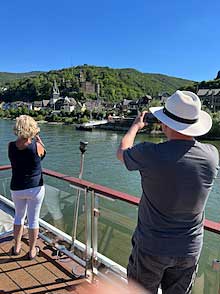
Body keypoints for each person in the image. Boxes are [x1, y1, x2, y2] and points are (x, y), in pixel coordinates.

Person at [117, 90, 219, 293]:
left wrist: (136, 126)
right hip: (189, 248)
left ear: (165, 123)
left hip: (151, 247)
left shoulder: (150, 153)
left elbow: (121, 152)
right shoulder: (212, 156)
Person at [8, 115, 46, 260]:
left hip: (17, 187)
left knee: (18, 217)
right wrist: (38, 139)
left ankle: (16, 247)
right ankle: (31, 251)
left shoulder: (11, 146)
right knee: (33, 220)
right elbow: (43, 154)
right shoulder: (37, 146)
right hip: (35, 188)